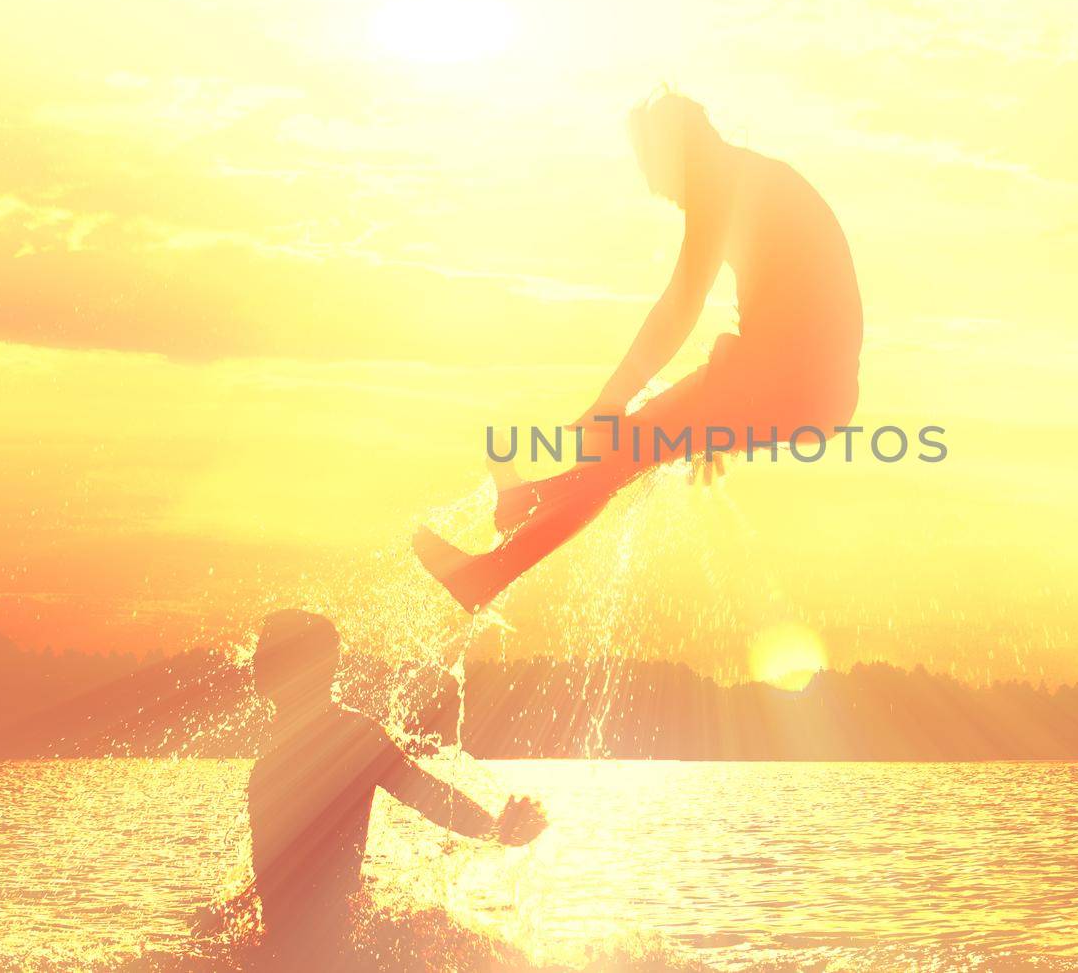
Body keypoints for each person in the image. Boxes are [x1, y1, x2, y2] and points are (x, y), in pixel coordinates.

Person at [415, 91, 862, 612]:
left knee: (623, 448)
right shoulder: (749, 178)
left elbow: (681, 304)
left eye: (652, 167)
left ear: (676, 151)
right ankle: (520, 512)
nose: (656, 189)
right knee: (626, 451)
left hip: (787, 383)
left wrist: (612, 401)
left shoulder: (721, 185)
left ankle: (493, 562)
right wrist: (723, 419)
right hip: (795, 385)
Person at [234, 608, 546, 967]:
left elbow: (424, 793)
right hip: (297, 951)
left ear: (296, 666)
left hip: (323, 951)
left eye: (265, 651)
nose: (254, 661)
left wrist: (495, 828)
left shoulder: (347, 736)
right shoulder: (283, 747)